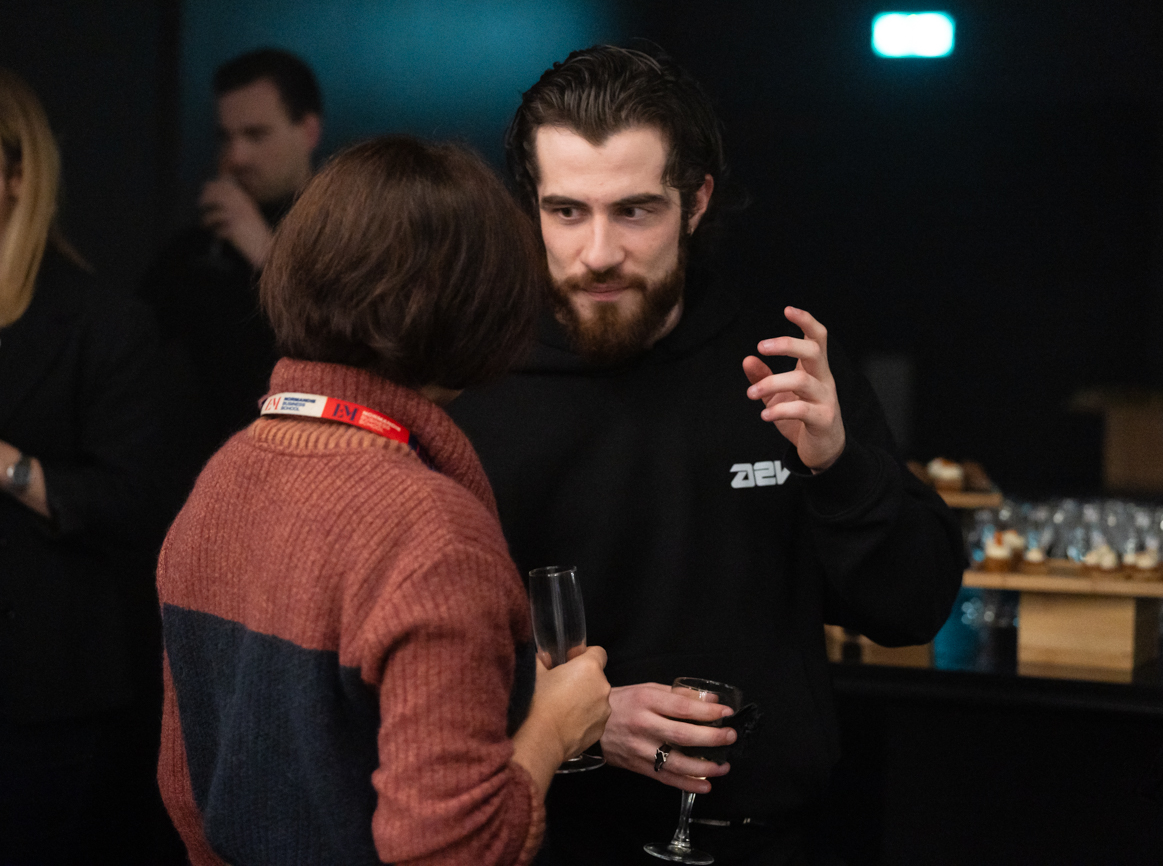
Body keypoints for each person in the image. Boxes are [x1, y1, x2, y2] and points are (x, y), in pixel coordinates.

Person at [449, 45, 965, 864]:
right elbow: (409, 657)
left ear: (695, 202)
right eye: (567, 212)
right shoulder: (470, 384)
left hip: (761, 841)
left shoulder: (780, 366)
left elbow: (911, 610)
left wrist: (836, 464)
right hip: (550, 840)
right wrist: (569, 719)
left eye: (634, 211)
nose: (598, 252)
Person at [156, 135, 613, 865]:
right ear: (480, 311)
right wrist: (554, 729)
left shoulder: (224, 478)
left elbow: (188, 792)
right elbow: (451, 851)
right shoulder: (431, 536)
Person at [0, 68, 185, 863]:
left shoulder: (105, 324)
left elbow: (135, 502)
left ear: (17, 175)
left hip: (44, 695)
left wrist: (10, 467)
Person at [139, 47, 323, 476]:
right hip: (204, 474)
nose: (236, 156)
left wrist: (262, 249)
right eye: (226, 137)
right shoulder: (197, 246)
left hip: (307, 466)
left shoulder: (347, 233)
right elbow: (132, 342)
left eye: (256, 135)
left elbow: (351, 341)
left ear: (308, 131)